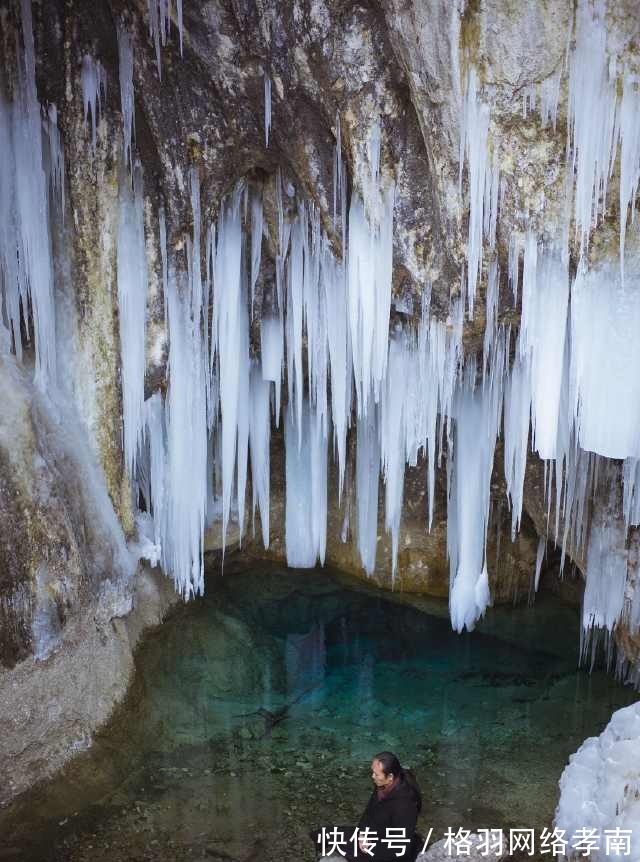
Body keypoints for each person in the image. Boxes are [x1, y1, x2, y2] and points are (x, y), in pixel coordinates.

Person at [314, 751, 422, 862]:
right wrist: (363, 832)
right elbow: (369, 810)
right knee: (324, 834)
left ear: (390, 776)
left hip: (388, 849)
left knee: (352, 853)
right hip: (372, 834)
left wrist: (368, 848)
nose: (372, 776)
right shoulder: (382, 784)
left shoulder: (405, 804)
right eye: (373, 772)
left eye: (376, 774)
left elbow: (400, 846)